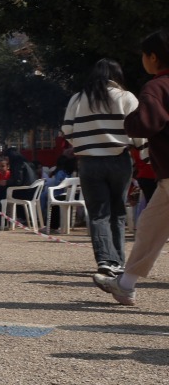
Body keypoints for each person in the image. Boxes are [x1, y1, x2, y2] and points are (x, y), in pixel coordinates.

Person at [94, 30, 169, 305]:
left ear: (152, 57)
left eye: (143, 55)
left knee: (150, 228)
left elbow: (147, 123)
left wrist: (130, 121)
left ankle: (125, 284)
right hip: (166, 180)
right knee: (150, 227)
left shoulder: (157, 87)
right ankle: (125, 284)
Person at [63, 59, 142, 276]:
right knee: (117, 211)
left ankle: (106, 260)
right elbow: (138, 129)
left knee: (99, 213)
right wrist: (143, 152)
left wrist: (84, 144)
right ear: (116, 76)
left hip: (89, 161)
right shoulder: (125, 97)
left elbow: (67, 130)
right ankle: (119, 261)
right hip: (119, 159)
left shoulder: (78, 99)